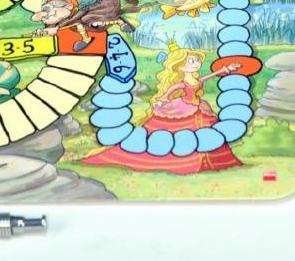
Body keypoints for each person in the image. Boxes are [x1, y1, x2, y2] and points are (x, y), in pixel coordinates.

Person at [81, 45, 243, 173]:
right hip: (184, 107)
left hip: (198, 105)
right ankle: (185, 160)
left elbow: (208, 77)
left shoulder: (195, 80)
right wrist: (163, 99)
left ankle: (212, 158)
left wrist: (226, 70)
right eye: (191, 61)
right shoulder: (182, 83)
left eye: (196, 61)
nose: (196, 64)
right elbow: (170, 91)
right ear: (180, 67)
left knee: (208, 130)